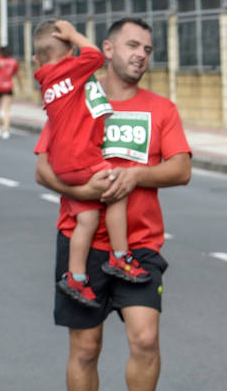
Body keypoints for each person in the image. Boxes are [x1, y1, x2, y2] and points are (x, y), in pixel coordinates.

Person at [35, 16, 191, 391]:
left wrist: (135, 174)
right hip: (81, 242)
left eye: (147, 47)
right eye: (132, 45)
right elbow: (43, 166)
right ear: (107, 48)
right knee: (86, 348)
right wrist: (83, 194)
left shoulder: (160, 109)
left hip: (139, 244)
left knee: (145, 337)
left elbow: (181, 169)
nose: (141, 54)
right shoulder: (75, 92)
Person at [31, 19, 150, 307]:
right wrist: (74, 35)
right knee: (118, 191)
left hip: (63, 166)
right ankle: (120, 257)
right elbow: (95, 56)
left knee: (87, 219)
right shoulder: (70, 70)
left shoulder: (45, 77)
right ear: (69, 51)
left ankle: (76, 277)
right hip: (82, 159)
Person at [0, 45, 18, 138]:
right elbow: (15, 74)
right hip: (8, 86)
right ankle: (6, 131)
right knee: (7, 110)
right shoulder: (14, 61)